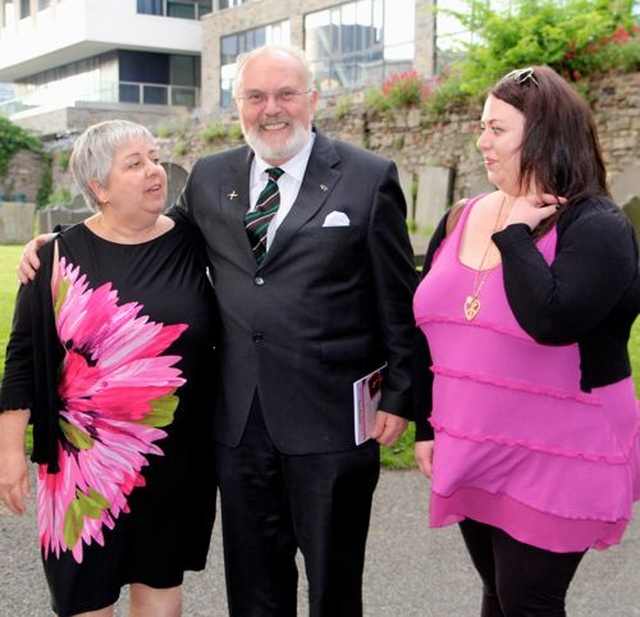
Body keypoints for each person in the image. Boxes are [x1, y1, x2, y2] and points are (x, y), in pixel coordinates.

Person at [16, 45, 418, 617]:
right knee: (254, 585)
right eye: (256, 97)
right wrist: (61, 244)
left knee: (333, 583)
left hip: (331, 421)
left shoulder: (367, 177)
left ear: (312, 99)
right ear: (238, 106)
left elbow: (398, 300)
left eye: (285, 94)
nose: (271, 109)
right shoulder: (211, 176)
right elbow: (146, 234)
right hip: (237, 421)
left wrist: (401, 395)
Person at [413, 64, 640, 616]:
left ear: (542, 135)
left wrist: (514, 232)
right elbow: (427, 329)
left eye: (496, 128)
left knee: (529, 602)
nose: (480, 140)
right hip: (473, 442)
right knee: (499, 593)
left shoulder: (597, 225)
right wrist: (425, 424)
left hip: (561, 448)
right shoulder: (460, 215)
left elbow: (552, 319)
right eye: (481, 125)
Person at [1, 119, 218, 617]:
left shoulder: (194, 242)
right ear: (98, 187)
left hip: (170, 456)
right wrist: (10, 450)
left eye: (155, 158)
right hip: (81, 465)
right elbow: (23, 357)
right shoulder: (56, 257)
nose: (154, 172)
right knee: (85, 599)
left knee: (160, 591)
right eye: (135, 164)